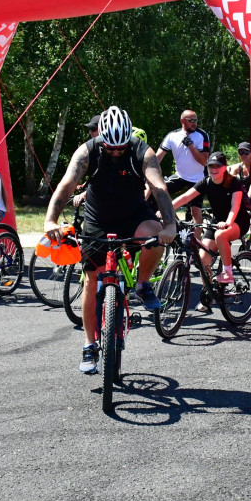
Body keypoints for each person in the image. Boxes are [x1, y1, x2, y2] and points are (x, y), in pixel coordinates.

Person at [43, 106, 175, 374]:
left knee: (155, 235)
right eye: (110, 147)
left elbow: (159, 186)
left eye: (121, 147)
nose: (115, 151)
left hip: (133, 214)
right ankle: (89, 345)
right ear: (102, 139)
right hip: (98, 218)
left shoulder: (142, 151)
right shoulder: (87, 151)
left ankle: (143, 283)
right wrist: (50, 221)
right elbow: (66, 184)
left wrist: (170, 224)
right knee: (92, 279)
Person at [172, 151, 251, 313]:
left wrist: (228, 223)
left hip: (237, 221)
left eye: (217, 166)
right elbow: (185, 197)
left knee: (220, 235)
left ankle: (228, 272)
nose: (213, 169)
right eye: (210, 166)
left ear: (224, 168)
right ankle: (210, 295)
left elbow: (235, 207)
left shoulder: (233, 182)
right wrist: (166, 209)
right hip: (218, 223)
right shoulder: (206, 182)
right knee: (203, 260)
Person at [156, 109, 210, 223]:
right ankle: (176, 223)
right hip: (180, 176)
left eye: (196, 120)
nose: (194, 123)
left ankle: (196, 240)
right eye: (191, 120)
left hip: (198, 179)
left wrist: (190, 145)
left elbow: (204, 161)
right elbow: (157, 158)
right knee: (158, 192)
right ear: (182, 121)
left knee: (195, 211)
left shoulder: (202, 135)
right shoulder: (172, 136)